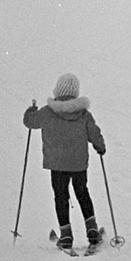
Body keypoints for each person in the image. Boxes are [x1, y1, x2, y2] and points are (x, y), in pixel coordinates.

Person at [23, 73, 107, 250]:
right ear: (75, 92)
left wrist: (31, 111)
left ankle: (66, 235)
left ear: (58, 90)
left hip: (57, 164)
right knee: (82, 193)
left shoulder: (47, 112)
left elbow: (30, 122)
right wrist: (100, 147)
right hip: (78, 164)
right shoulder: (83, 114)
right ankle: (92, 230)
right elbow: (94, 133)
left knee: (61, 196)